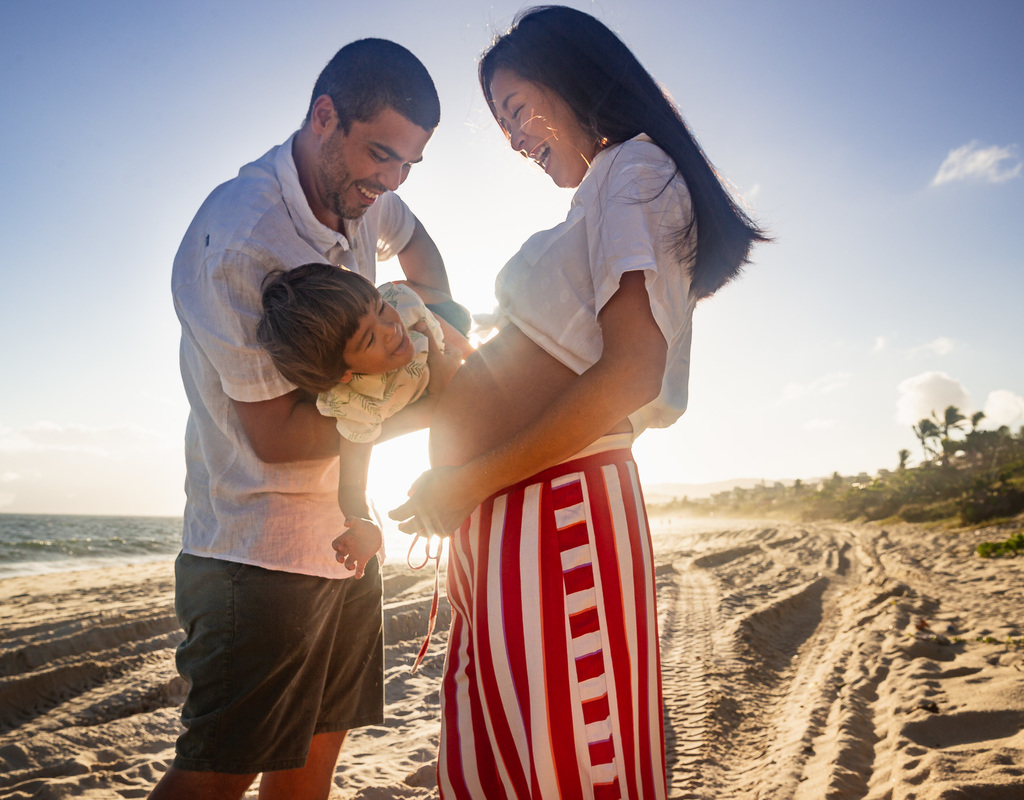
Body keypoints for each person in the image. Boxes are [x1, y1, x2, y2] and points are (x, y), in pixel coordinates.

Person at [389, 7, 769, 800]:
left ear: (576, 81)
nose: (515, 137)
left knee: (567, 770)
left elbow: (632, 372)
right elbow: (542, 369)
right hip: (507, 516)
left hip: (552, 517)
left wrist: (467, 481)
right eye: (502, 123)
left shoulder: (636, 171)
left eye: (519, 108)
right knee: (498, 769)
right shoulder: (601, 194)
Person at [150, 38, 450, 800]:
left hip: (346, 538)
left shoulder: (367, 192)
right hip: (257, 555)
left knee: (313, 768)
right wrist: (424, 393)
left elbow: (417, 246)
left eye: (407, 166)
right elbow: (276, 439)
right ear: (325, 117)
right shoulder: (240, 239)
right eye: (381, 154)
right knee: (217, 779)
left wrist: (443, 324)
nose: (389, 181)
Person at [256, 263, 465, 580]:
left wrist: (465, 368)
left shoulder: (401, 303)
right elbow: (352, 485)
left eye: (379, 309)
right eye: (369, 340)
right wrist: (363, 522)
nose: (389, 328)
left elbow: (462, 350)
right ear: (344, 373)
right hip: (444, 395)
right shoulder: (358, 403)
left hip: (452, 350)